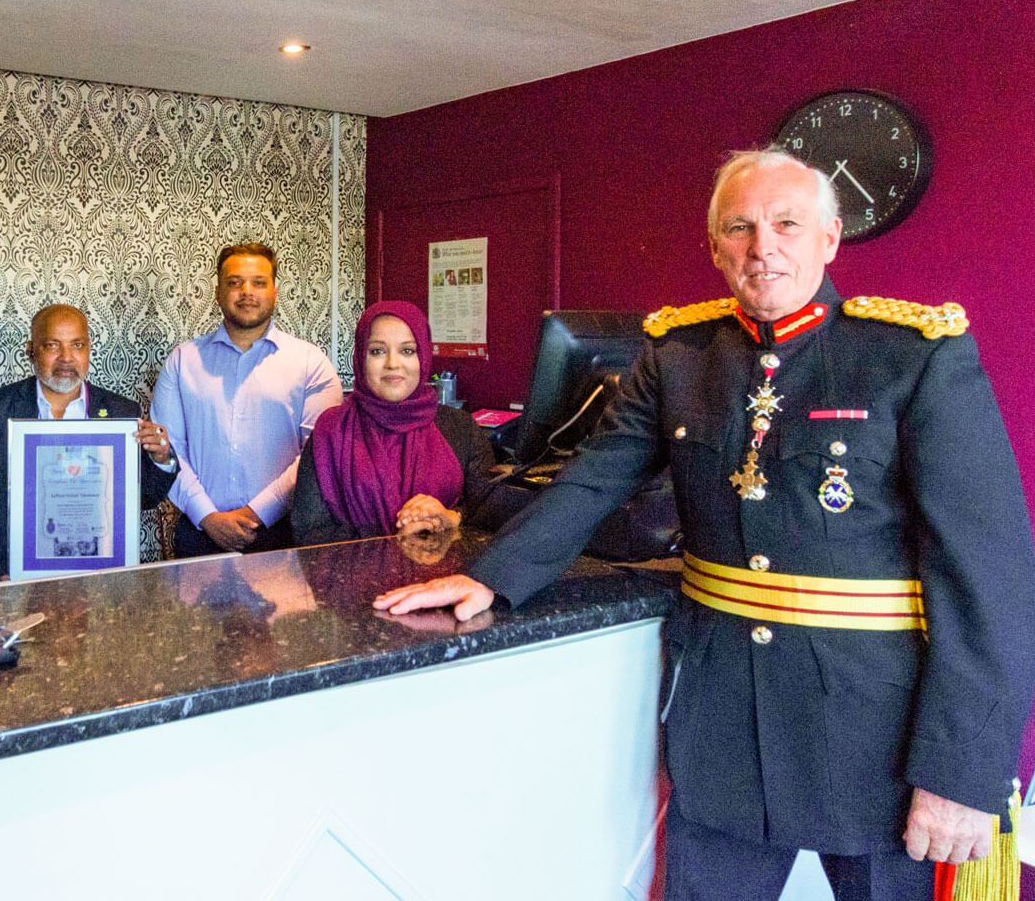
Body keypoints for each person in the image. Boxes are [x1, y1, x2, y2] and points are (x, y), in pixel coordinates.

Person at [376, 150, 1035, 901]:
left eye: (787, 223)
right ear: (714, 247)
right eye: (740, 228)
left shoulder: (912, 356)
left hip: (873, 738)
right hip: (723, 725)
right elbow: (596, 476)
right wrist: (489, 575)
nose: (764, 247)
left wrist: (962, 768)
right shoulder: (680, 354)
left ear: (830, 236)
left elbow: (989, 574)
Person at [0, 303, 180, 582]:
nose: (66, 358)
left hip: (97, 579)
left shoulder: (122, 412)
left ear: (89, 350)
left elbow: (142, 498)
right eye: (52, 345)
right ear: (31, 350)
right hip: (12, 578)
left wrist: (162, 459)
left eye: (77, 345)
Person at [153, 242, 342, 557]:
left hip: (283, 533)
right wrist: (208, 517)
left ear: (275, 292)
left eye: (258, 282)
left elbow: (316, 456)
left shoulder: (310, 363)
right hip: (200, 533)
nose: (246, 291)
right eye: (234, 282)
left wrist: (258, 514)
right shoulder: (182, 361)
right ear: (217, 292)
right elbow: (168, 451)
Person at [290, 301, 494, 546]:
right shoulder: (331, 430)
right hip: (354, 582)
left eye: (407, 351)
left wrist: (451, 518)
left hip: (444, 580)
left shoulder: (460, 427)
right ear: (360, 358)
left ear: (424, 357)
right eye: (377, 351)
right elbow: (309, 531)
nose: (393, 364)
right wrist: (396, 545)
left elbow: (491, 513)